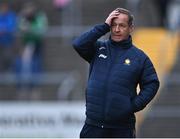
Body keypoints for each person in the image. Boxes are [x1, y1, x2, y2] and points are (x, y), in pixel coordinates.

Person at [72, 8, 160, 138]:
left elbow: (152, 84)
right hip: (93, 126)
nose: (117, 29)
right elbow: (78, 44)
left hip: (121, 128)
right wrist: (104, 26)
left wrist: (132, 105)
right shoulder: (99, 48)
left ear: (131, 28)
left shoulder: (139, 57)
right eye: (114, 25)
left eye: (122, 26)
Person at [15, 2, 48, 99]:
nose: (28, 12)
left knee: (36, 67)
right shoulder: (23, 17)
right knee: (22, 66)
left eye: (30, 10)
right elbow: (19, 26)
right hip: (25, 45)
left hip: (37, 45)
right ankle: (22, 90)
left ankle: (35, 90)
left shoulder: (39, 16)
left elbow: (41, 28)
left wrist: (29, 29)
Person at [0, 1, 17, 72]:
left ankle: (8, 78)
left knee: (8, 59)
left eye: (4, 7)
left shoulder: (11, 15)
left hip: (8, 43)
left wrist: (4, 29)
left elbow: (11, 26)